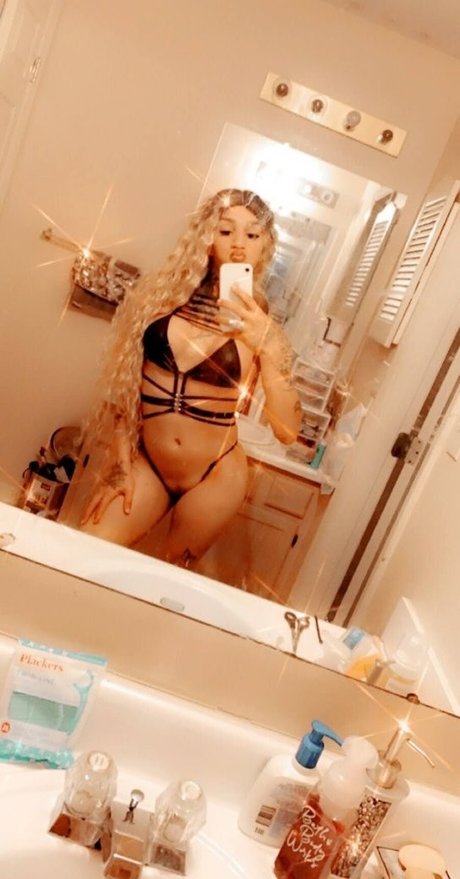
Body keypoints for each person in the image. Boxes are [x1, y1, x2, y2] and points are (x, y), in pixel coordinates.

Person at [80, 188, 301, 566]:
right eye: (226, 230)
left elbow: (287, 431)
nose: (238, 244)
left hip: (216, 476)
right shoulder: (163, 295)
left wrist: (270, 346)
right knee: (85, 551)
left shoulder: (260, 321)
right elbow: (124, 385)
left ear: (265, 245)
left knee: (168, 577)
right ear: (207, 236)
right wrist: (119, 460)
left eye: (252, 234)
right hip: (148, 461)